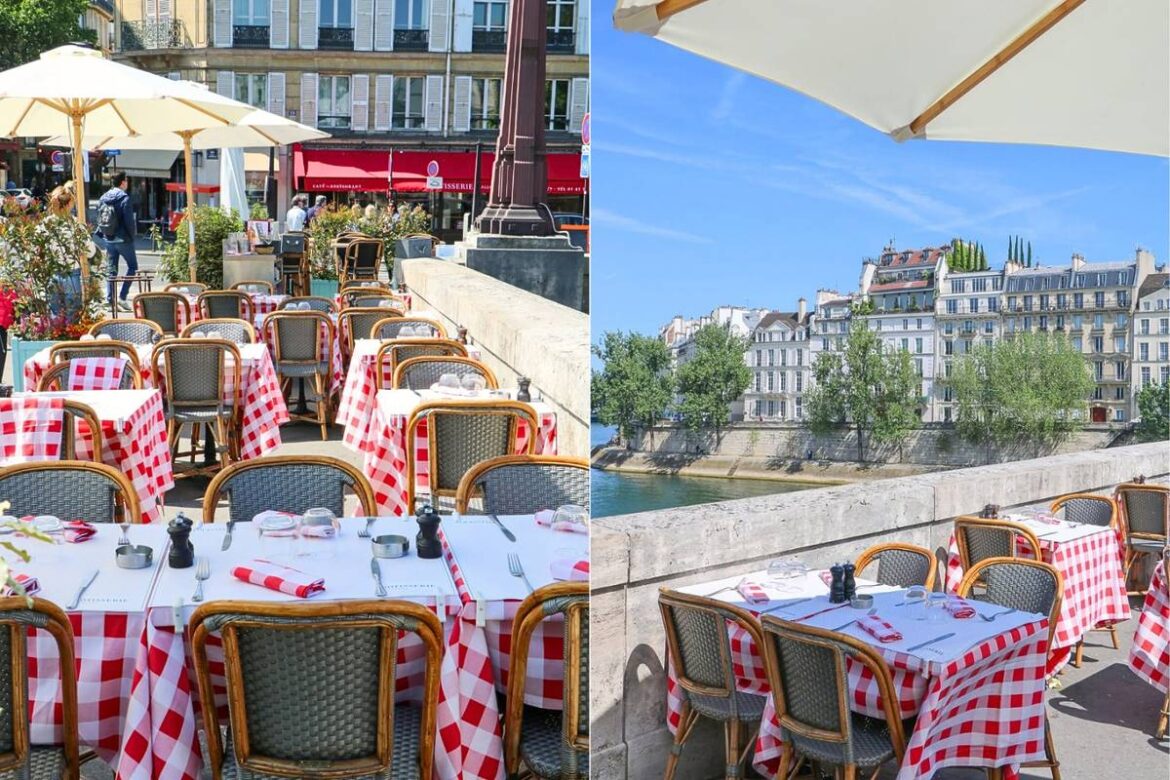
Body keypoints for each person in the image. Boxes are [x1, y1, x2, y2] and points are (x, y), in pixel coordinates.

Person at [97, 171, 138, 312]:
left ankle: (110, 301)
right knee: (132, 267)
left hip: (108, 238)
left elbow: (99, 216)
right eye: (126, 180)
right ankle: (122, 297)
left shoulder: (103, 197)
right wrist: (132, 236)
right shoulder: (124, 198)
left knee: (112, 270)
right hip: (123, 239)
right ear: (122, 183)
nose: (127, 183)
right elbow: (129, 221)